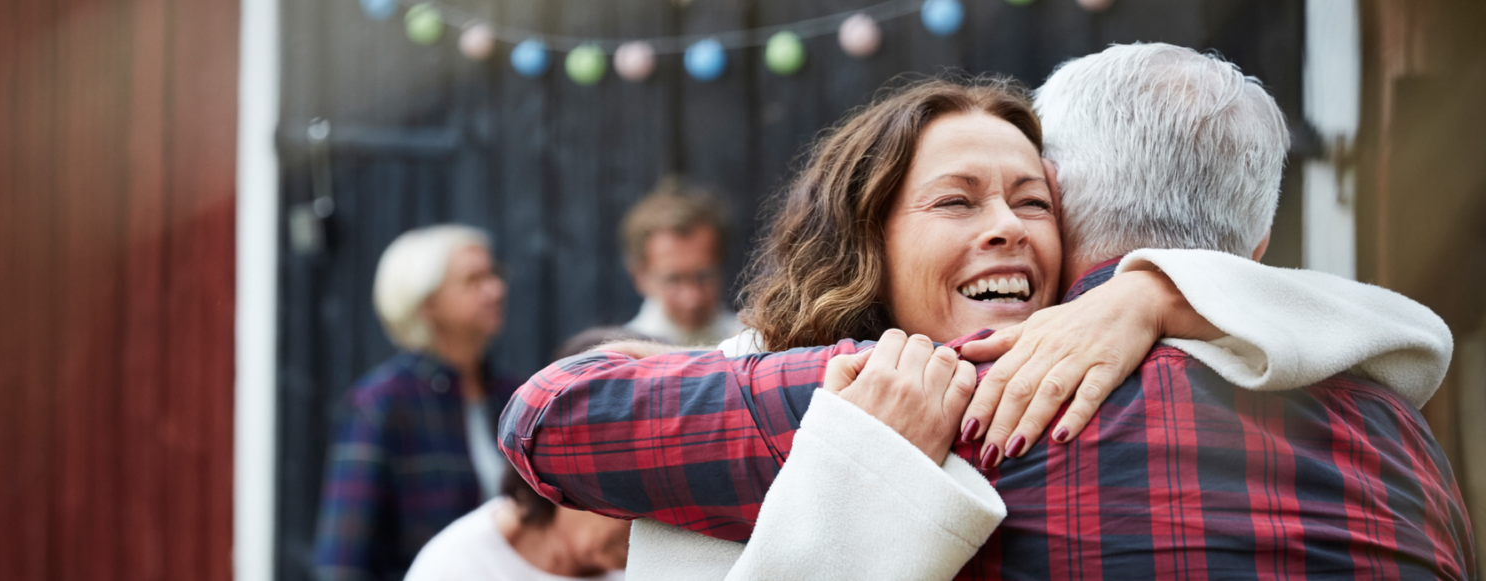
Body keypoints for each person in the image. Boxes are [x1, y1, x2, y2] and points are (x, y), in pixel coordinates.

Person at [501, 46, 1471, 580]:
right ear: (1256, 251)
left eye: (1026, 200)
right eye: (957, 200)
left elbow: (552, 417)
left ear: (1068, 208)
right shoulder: (1401, 430)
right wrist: (1165, 289)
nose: (1003, 229)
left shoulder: (989, 392)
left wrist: (861, 438)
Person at [315, 225, 518, 581]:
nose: (496, 290)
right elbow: (343, 559)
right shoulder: (381, 404)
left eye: (494, 275)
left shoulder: (513, 396)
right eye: (474, 280)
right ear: (427, 304)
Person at [404, 328, 647, 581]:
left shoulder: (653, 566)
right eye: (633, 489)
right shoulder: (459, 567)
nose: (651, 519)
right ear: (562, 463)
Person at [620, 178, 743, 346]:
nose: (692, 299)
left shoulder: (754, 346)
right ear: (639, 277)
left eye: (704, 276)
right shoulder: (622, 360)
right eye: (673, 279)